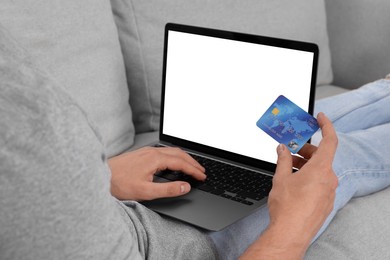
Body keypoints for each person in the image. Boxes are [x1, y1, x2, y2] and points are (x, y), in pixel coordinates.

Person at [1, 26, 390, 259]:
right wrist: (292, 225)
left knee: (284, 118)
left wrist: (100, 177)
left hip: (122, 202)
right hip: (182, 240)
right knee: (333, 161)